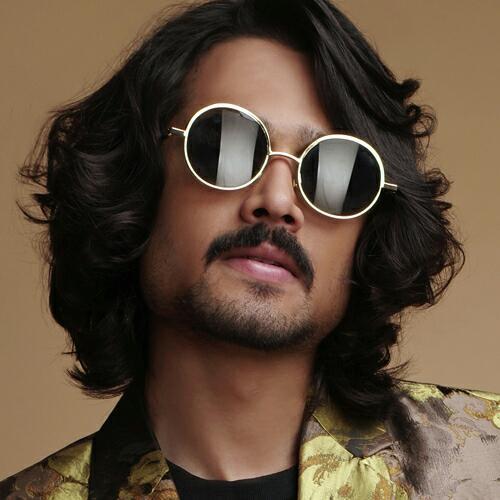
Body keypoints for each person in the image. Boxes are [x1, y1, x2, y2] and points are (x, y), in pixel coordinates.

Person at [1, 0, 499, 498]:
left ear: (369, 232)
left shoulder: (485, 464)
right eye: (225, 144)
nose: (278, 201)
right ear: (138, 186)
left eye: (336, 170)